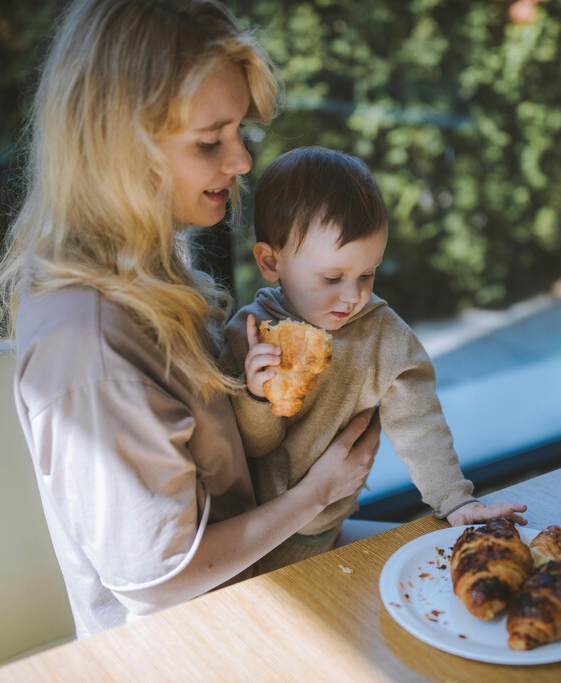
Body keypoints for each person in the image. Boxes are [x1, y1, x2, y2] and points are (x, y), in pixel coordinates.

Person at [0, 0, 382, 639]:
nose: (243, 161)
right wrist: (317, 491)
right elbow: (161, 585)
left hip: (258, 580)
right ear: (118, 147)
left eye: (239, 130)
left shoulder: (147, 258)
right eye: (210, 141)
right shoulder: (89, 350)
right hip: (194, 641)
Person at [220, 147, 527, 573]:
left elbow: (420, 425)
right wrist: (255, 394)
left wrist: (455, 499)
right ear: (271, 262)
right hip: (253, 539)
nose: (354, 296)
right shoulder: (249, 334)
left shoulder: (384, 338)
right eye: (332, 278)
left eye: (368, 274)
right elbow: (255, 445)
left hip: (329, 526)